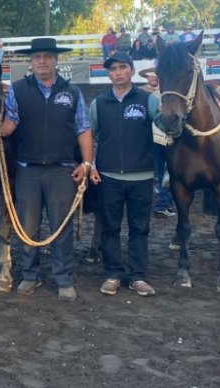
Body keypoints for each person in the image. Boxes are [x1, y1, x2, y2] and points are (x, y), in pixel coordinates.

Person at [0, 38, 93, 302]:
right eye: (37, 56)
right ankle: (30, 276)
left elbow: (83, 129)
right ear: (31, 62)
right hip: (27, 171)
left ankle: (63, 279)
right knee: (28, 227)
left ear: (56, 60)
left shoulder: (72, 92)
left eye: (47, 56)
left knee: (60, 227)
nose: (42, 61)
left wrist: (86, 164)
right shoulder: (18, 90)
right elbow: (11, 121)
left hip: (61, 171)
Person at [88, 52, 160, 297]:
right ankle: (112, 275)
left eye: (122, 67)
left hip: (142, 176)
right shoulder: (98, 104)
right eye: (113, 69)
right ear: (108, 73)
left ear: (131, 70)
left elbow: (165, 126)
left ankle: (138, 277)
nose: (117, 72)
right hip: (108, 177)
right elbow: (91, 136)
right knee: (110, 228)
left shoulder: (148, 101)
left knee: (140, 228)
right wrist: (93, 165)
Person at [139, 68, 175, 218]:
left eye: (154, 75)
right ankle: (163, 203)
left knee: (165, 172)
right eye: (150, 76)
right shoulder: (144, 93)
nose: (152, 78)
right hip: (156, 137)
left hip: (163, 137)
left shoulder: (166, 93)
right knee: (166, 172)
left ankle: (166, 202)